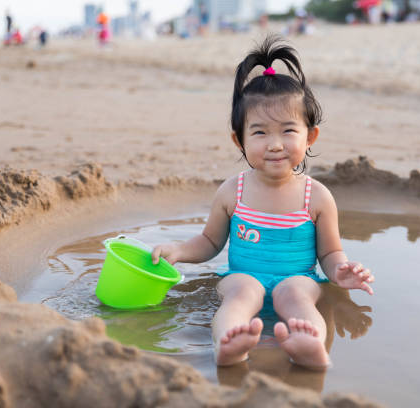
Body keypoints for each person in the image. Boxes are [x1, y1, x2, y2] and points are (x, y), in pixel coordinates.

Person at [151, 35, 374, 369]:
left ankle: (309, 346)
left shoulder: (318, 197)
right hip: (244, 276)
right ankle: (230, 344)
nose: (274, 144)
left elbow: (329, 253)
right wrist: (180, 250)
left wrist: (341, 271)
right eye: (259, 133)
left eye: (287, 130)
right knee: (240, 294)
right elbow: (211, 241)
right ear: (238, 141)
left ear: (309, 136)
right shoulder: (232, 192)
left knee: (297, 296)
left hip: (298, 278)